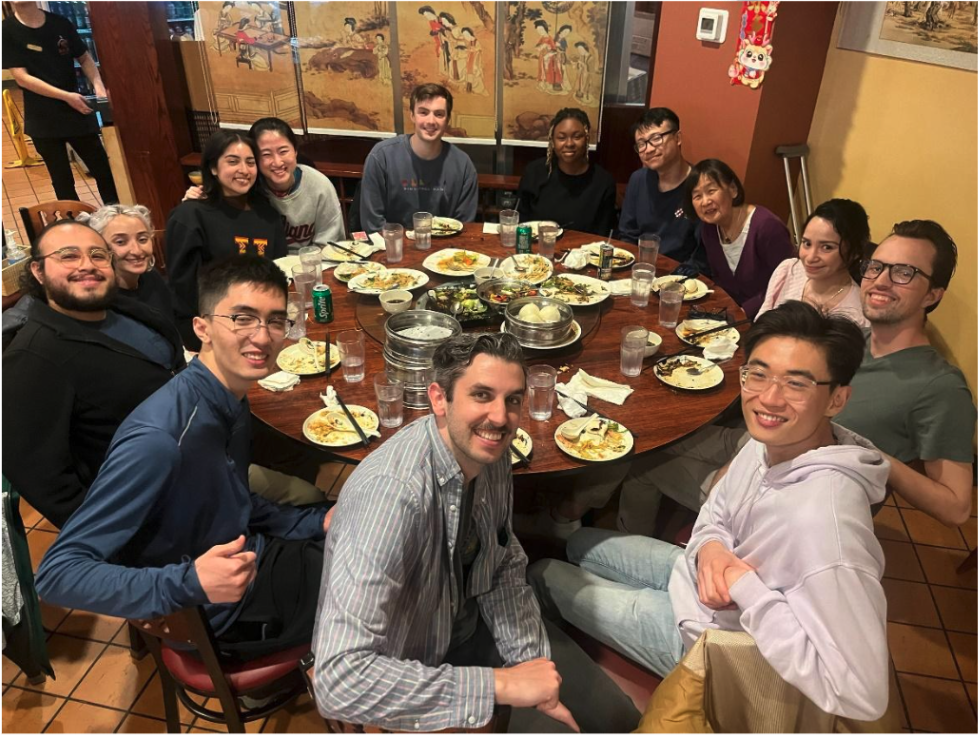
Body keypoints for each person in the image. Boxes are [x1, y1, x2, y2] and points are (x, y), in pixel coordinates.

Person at [530, 301, 891, 720]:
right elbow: (715, 511)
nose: (769, 398)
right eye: (758, 374)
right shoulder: (768, 442)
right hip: (696, 575)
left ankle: (572, 693)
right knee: (579, 544)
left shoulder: (826, 523)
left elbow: (862, 693)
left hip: (712, 646)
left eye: (796, 384)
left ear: (836, 399)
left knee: (542, 573)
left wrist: (745, 588)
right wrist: (713, 546)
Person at [311, 333, 639, 733]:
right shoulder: (391, 497)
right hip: (411, 666)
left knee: (617, 720)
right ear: (439, 398)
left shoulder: (491, 453)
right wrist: (501, 685)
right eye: (481, 395)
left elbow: (503, 562)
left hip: (475, 626)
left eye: (512, 400)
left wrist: (528, 661)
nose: (500, 418)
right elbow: (339, 681)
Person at [36, 256, 331, 661]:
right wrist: (189, 582)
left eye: (275, 321)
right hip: (218, 614)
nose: (263, 337)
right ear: (202, 328)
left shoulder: (231, 397)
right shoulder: (160, 438)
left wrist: (314, 522)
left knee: (361, 536)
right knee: (386, 577)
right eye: (242, 319)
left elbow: (232, 500)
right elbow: (57, 574)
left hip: (248, 554)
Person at [616, 219, 974, 535]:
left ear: (933, 294)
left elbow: (956, 508)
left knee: (642, 466)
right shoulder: (852, 341)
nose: (880, 281)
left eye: (904, 272)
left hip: (788, 496)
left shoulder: (940, 385)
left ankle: (639, 560)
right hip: (760, 444)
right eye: (876, 267)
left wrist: (868, 452)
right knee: (653, 436)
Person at [2, 220, 183, 529]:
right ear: (38, 271)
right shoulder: (32, 358)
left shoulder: (126, 310)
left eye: (98, 255)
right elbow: (44, 480)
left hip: (200, 456)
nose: (87, 265)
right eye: (68, 255)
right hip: (155, 509)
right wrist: (119, 534)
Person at [166, 130, 286, 348]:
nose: (244, 170)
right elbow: (184, 292)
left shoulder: (268, 215)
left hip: (262, 319)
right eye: (233, 161)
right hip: (210, 326)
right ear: (213, 167)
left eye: (250, 162)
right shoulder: (190, 216)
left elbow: (279, 271)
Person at [2, 2, 118, 204]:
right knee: (62, 181)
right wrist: (66, 96)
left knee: (103, 171)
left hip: (77, 111)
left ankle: (114, 217)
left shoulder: (60, 23)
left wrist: (98, 85)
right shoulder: (7, 30)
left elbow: (84, 57)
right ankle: (72, 221)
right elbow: (21, 78)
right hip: (42, 118)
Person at [184, 117, 345, 255]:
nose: (277, 162)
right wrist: (194, 200)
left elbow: (330, 246)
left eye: (283, 151)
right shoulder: (247, 186)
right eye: (266, 154)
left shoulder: (319, 186)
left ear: (295, 151)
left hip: (311, 266)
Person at [359, 84, 478, 234]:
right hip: (392, 245)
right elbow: (373, 224)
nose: (431, 121)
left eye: (439, 114)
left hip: (445, 246)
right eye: (423, 112)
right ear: (412, 115)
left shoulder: (463, 165)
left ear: (447, 119)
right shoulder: (381, 157)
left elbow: (463, 227)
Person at [684, 159, 795, 319]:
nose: (705, 201)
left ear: (733, 189)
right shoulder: (709, 229)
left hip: (770, 317)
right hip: (729, 315)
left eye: (711, 191)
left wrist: (744, 312)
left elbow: (787, 282)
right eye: (697, 196)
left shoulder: (767, 227)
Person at [618, 108, 706, 274]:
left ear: (677, 138)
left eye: (656, 139)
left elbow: (703, 252)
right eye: (641, 144)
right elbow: (627, 234)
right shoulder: (638, 180)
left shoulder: (700, 185)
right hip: (640, 271)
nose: (649, 149)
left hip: (682, 276)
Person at [758, 198, 871, 327]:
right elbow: (760, 325)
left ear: (855, 252)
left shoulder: (858, 315)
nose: (810, 257)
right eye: (807, 243)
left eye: (827, 247)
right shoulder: (788, 271)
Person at [516, 108, 616, 237]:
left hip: (585, 249)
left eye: (577, 137)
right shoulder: (534, 172)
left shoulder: (603, 182)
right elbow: (521, 223)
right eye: (561, 138)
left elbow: (603, 234)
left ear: (587, 139)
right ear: (553, 141)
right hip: (538, 247)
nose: (569, 143)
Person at [77, 204, 176, 326]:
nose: (137, 251)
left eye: (142, 239)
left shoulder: (152, 277)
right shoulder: (101, 301)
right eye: (121, 242)